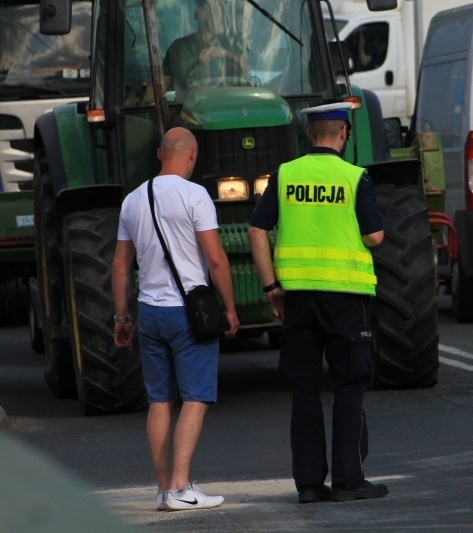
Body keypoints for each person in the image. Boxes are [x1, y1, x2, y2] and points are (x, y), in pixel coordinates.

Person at [247, 102, 388, 504]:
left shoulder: (285, 175)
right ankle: (349, 480)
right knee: (349, 385)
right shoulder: (355, 177)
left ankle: (309, 484)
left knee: (304, 389)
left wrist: (271, 285)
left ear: (309, 135)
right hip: (345, 296)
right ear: (343, 134)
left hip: (297, 297)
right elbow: (375, 237)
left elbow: (256, 228)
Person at [112, 126, 240, 511]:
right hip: (189, 314)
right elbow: (215, 258)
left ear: (158, 154)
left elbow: (120, 263)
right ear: (192, 154)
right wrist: (230, 309)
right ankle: (182, 487)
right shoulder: (195, 195)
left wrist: (121, 316)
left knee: (160, 401)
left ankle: (163, 489)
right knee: (196, 397)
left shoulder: (133, 200)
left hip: (149, 313)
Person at [135, 0, 246, 104]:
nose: (213, 14)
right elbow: (161, 85)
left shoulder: (232, 44)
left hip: (230, 108)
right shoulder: (178, 48)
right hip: (190, 113)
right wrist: (138, 100)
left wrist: (223, 53)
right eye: (206, 7)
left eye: (217, 7)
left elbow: (246, 67)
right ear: (196, 14)